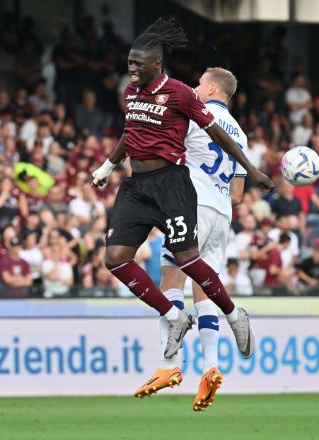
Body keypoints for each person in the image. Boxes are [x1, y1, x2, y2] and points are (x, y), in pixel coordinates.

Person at [91, 18, 273, 382]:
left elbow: (218, 133)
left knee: (187, 262)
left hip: (172, 185)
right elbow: (130, 132)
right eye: (128, 62)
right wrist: (108, 165)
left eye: (137, 63)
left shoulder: (180, 94)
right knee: (114, 259)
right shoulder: (131, 93)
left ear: (157, 64)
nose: (130, 68)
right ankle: (176, 318)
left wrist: (251, 170)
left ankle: (235, 315)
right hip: (136, 187)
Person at [131, 66, 249, 410]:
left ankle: (169, 365)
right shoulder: (240, 134)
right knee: (205, 287)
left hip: (192, 203)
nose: (195, 87)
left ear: (212, 89)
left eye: (199, 83)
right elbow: (238, 193)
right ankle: (210, 365)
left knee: (170, 276)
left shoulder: (194, 113)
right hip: (221, 212)